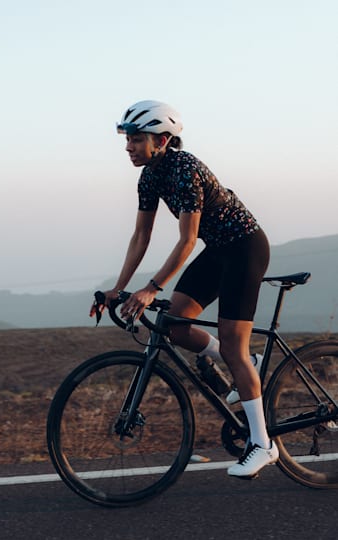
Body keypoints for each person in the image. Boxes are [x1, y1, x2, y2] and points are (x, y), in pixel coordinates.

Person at [105, 99, 277, 478]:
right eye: (127, 139)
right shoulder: (149, 176)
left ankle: (263, 444)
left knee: (233, 344)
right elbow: (141, 235)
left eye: (135, 139)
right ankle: (248, 365)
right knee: (174, 324)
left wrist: (150, 288)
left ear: (162, 140)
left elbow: (186, 241)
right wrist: (119, 289)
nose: (128, 146)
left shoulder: (184, 170)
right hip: (218, 251)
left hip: (244, 248)